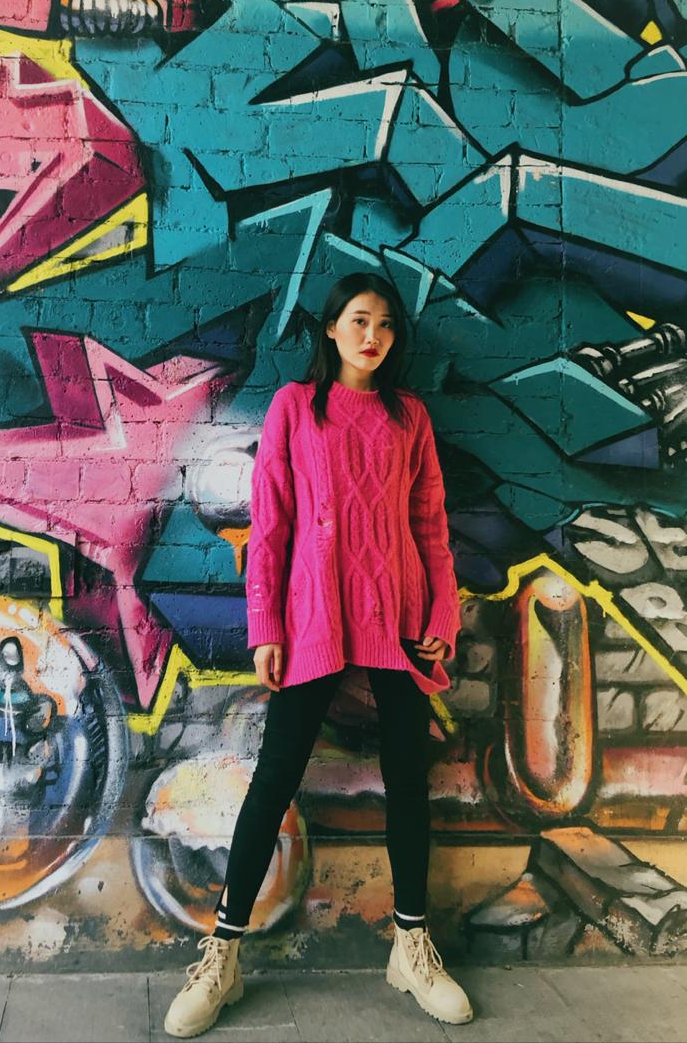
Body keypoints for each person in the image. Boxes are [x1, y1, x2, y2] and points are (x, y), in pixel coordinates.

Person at [164, 272, 473, 1038]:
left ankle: (411, 948)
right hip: (313, 616)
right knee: (274, 778)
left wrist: (443, 613)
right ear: (331, 329)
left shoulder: (409, 416)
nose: (374, 336)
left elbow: (431, 526)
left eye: (386, 325)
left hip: (398, 616)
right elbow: (269, 526)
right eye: (359, 320)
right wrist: (265, 626)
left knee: (408, 781)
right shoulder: (296, 408)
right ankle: (222, 956)